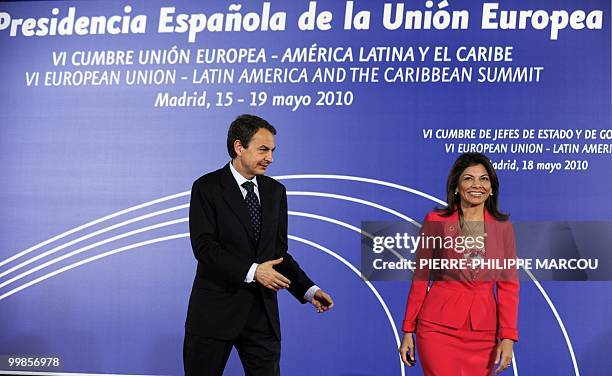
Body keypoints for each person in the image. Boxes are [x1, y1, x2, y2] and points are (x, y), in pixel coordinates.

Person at [184, 114, 334, 376]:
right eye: (263, 150)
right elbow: (205, 248)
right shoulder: (206, 188)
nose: (270, 158)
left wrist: (308, 290)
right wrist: (254, 271)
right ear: (239, 147)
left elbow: (278, 255)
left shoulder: (276, 192)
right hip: (214, 314)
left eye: (273, 151)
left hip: (262, 316)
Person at [399, 152, 519, 375]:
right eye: (468, 178)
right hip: (437, 330)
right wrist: (408, 330)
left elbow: (508, 286)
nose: (477, 185)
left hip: (484, 333)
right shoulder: (436, 221)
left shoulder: (503, 227)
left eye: (484, 179)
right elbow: (421, 277)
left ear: (492, 188)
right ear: (456, 187)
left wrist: (508, 336)